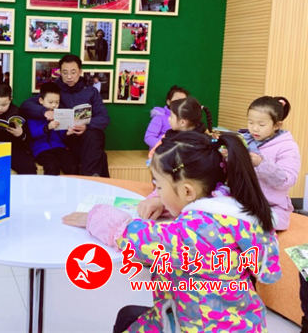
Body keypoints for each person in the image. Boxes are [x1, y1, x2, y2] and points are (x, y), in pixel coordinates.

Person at [63, 131, 281, 332]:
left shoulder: (196, 232)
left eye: (159, 187)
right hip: (240, 321)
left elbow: (136, 238)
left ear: (187, 191)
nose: (157, 193)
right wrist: (167, 202)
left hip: (197, 326)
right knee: (128, 315)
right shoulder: (233, 213)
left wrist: (95, 216)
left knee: (128, 320)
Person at [21, 54, 110, 177]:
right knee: (99, 155)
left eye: (73, 72)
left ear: (80, 72)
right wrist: (44, 111)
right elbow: (26, 105)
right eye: (65, 72)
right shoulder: (54, 90)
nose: (69, 77)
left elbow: (103, 117)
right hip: (66, 139)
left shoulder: (91, 92)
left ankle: (89, 178)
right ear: (60, 72)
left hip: (86, 137)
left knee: (95, 135)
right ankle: (93, 180)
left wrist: (86, 126)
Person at [239, 96, 301, 231]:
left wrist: (261, 164)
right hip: (242, 201)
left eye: (261, 125)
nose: (254, 128)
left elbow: (287, 180)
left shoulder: (287, 146)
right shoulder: (245, 139)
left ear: (277, 125)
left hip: (272, 207)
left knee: (251, 223)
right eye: (250, 122)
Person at [27, 82, 79, 175]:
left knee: (72, 164)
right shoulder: (34, 114)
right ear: (41, 100)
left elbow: (62, 134)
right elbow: (32, 133)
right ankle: (50, 185)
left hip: (59, 147)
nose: (54, 105)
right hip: (41, 149)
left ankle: (72, 184)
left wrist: (67, 133)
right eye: (50, 102)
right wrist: (48, 127)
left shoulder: (59, 113)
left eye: (57, 102)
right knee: (52, 165)